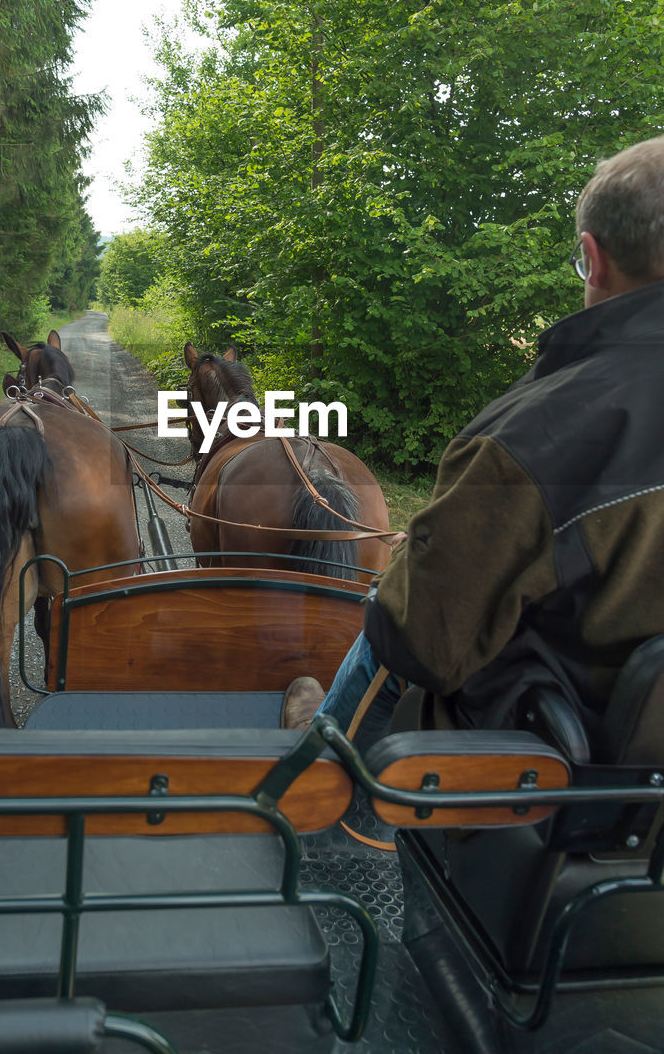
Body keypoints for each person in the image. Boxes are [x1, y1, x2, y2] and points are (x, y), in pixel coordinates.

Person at [283, 134, 664, 748]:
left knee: (398, 612)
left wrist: (427, 557)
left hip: (550, 780)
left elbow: (419, 638)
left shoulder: (538, 435)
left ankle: (324, 754)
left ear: (593, 257)